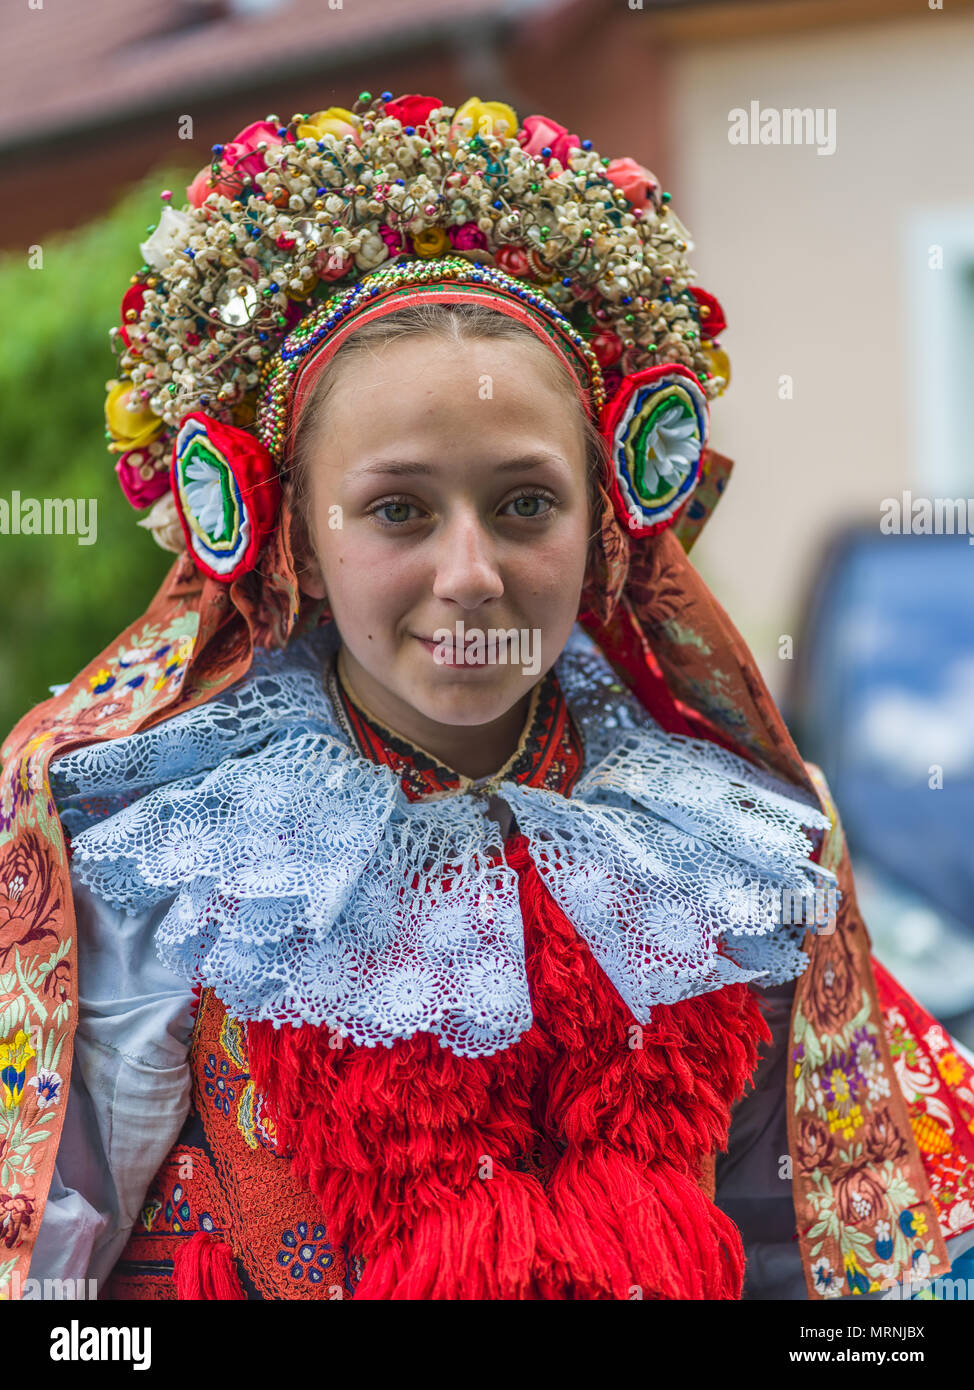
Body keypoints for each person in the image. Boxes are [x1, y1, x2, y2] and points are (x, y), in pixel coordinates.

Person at [2, 92, 973, 1302]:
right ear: (291, 529)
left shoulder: (737, 856)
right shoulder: (155, 861)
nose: (469, 575)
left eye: (523, 504)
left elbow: (839, 1266)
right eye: (399, 509)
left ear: (606, 519)